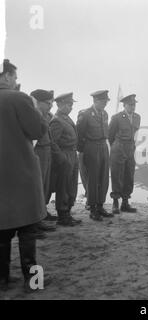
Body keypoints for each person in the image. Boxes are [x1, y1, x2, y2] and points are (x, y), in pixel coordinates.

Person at [0, 59, 48, 291]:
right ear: (7, 76)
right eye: (15, 77)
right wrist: (33, 106)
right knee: (28, 230)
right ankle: (33, 280)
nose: (16, 82)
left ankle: (2, 279)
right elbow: (38, 129)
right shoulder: (18, 98)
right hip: (21, 175)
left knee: (1, 231)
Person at [77, 90, 112, 221]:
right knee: (92, 179)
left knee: (104, 177)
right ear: (95, 101)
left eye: (106, 102)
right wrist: (83, 150)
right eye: (103, 102)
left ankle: (100, 205)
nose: (105, 104)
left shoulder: (105, 114)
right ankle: (92, 208)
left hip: (103, 146)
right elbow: (79, 134)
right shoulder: (85, 114)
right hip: (90, 147)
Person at [49, 93, 82, 227]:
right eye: (68, 104)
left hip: (73, 155)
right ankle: (62, 215)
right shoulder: (56, 120)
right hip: (65, 155)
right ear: (59, 105)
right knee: (63, 186)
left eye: (71, 105)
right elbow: (52, 143)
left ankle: (68, 212)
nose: (71, 107)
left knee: (72, 185)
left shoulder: (66, 118)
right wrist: (61, 158)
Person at [30, 90, 58, 234]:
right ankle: (33, 223)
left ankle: (40, 217)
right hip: (37, 153)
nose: (51, 106)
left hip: (46, 152)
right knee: (36, 187)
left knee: (44, 186)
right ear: (38, 102)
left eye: (51, 103)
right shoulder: (32, 115)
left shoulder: (46, 116)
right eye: (48, 103)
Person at [109, 94, 140, 214]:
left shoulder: (137, 117)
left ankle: (125, 202)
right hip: (118, 148)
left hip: (130, 149)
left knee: (129, 175)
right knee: (117, 175)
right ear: (124, 105)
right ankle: (115, 203)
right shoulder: (117, 117)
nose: (133, 107)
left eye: (134, 104)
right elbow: (110, 135)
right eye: (130, 105)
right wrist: (115, 147)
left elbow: (135, 134)